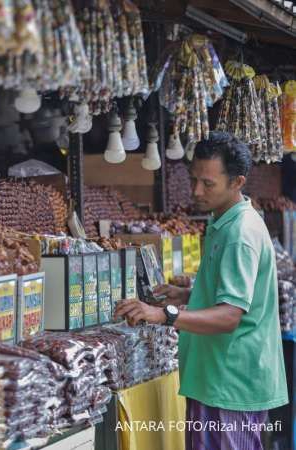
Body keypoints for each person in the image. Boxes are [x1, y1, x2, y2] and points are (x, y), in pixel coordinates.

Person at [114, 131, 288, 450]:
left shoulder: (239, 233)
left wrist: (163, 314)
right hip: (217, 378)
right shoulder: (224, 221)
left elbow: (230, 316)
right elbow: (230, 294)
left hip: (230, 381)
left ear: (237, 182)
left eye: (208, 184)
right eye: (194, 180)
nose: (196, 191)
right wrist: (189, 296)